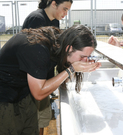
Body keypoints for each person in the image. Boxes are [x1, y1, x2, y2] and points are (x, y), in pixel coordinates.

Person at [0, 25, 101, 135]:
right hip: (4, 94)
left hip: (23, 90)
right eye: (82, 56)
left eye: (88, 57)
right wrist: (71, 69)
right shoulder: (38, 48)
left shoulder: (58, 43)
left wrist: (77, 67)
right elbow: (39, 93)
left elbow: (56, 79)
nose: (85, 60)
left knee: (30, 130)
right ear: (69, 48)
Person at [22, 0, 73, 134]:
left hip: (43, 77)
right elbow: (36, 55)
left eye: (68, 10)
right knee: (32, 120)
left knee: (42, 118)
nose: (65, 14)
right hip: (30, 80)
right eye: (65, 9)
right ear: (54, 3)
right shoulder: (37, 19)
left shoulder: (54, 22)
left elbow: (55, 50)